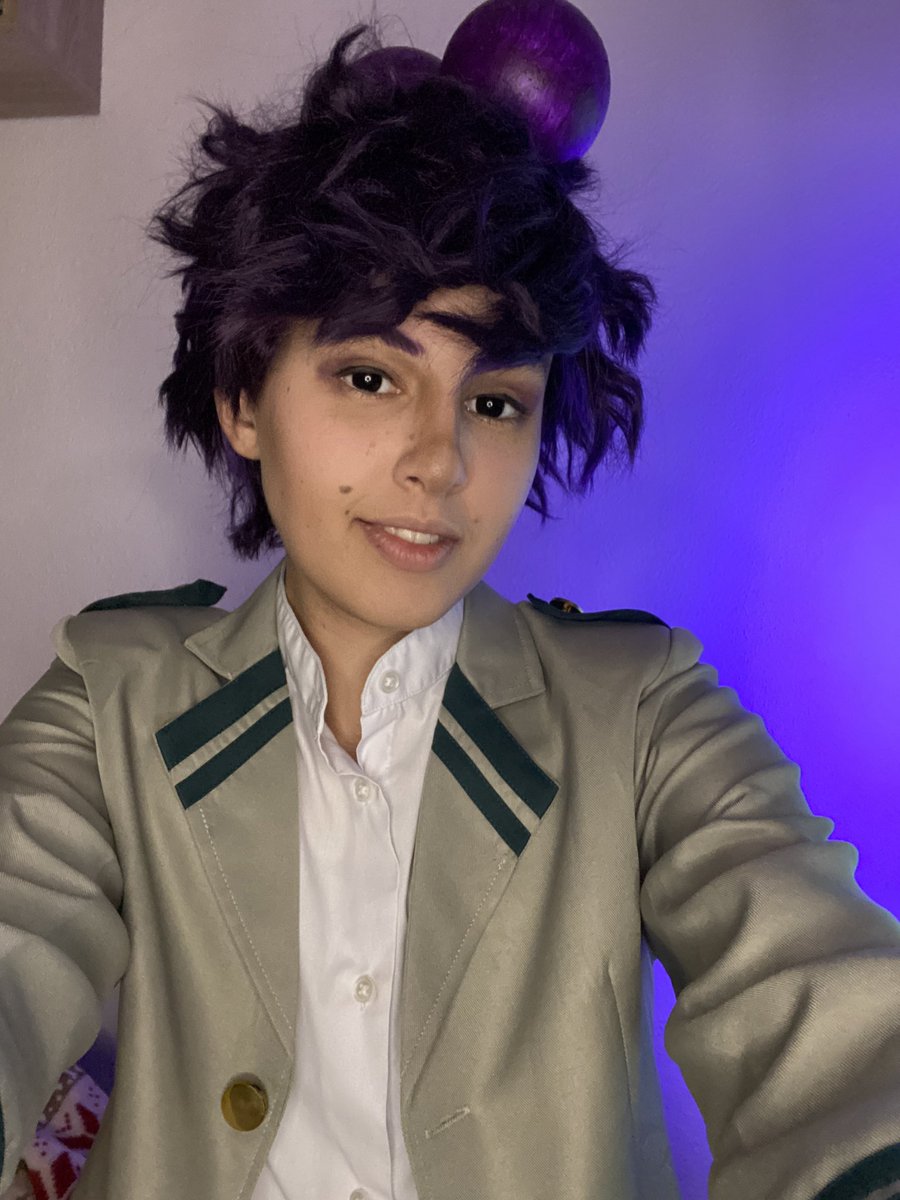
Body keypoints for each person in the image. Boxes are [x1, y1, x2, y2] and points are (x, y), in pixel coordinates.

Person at [1, 5, 899, 1199]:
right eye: (372, 377)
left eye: (495, 402)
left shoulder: (642, 713)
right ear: (244, 400)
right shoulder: (108, 697)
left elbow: (828, 1007)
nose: (440, 462)